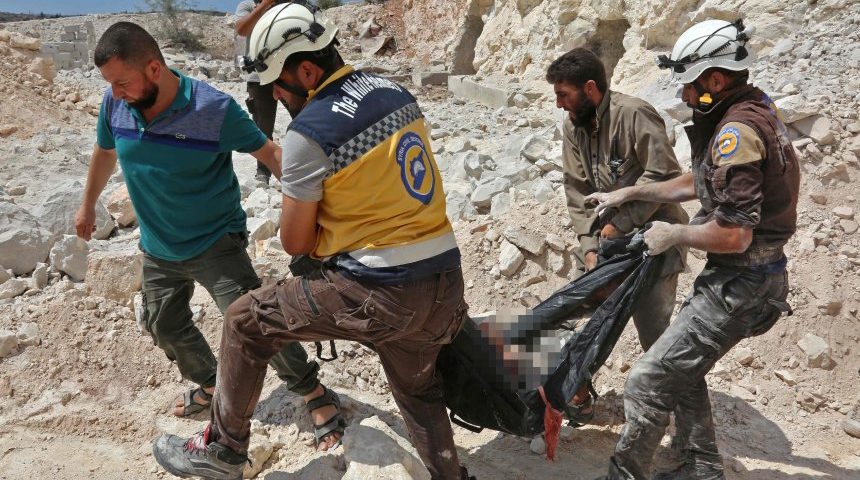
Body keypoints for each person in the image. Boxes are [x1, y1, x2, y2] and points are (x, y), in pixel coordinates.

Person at [152, 3, 473, 480]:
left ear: (306, 70)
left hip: (382, 291)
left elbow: (295, 241)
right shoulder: (395, 91)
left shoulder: (310, 131)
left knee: (245, 321)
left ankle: (222, 449)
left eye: (277, 85)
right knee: (417, 389)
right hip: (445, 281)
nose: (276, 96)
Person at [75, 21, 341, 445]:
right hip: (158, 247)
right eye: (110, 84)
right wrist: (88, 204)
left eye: (122, 82)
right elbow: (105, 151)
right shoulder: (115, 104)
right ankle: (213, 383)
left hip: (216, 242)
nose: (115, 93)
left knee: (254, 322)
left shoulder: (213, 108)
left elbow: (270, 153)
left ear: (155, 69)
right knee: (164, 324)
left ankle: (312, 390)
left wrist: (320, 218)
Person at [586, 19, 799, 479]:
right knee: (679, 370)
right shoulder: (752, 108)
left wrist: (674, 235)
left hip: (743, 283)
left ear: (715, 81)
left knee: (646, 381)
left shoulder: (737, 131)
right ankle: (699, 466)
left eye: (689, 85)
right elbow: (703, 181)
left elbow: (736, 234)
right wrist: (633, 193)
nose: (684, 96)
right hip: (744, 278)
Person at [545, 48, 689, 422]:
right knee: (571, 319)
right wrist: (590, 247)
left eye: (564, 95)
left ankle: (677, 421)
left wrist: (621, 224)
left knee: (655, 336)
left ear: (590, 88)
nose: (559, 104)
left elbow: (665, 177)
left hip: (654, 241)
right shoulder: (573, 125)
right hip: (607, 243)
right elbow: (577, 189)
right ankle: (576, 396)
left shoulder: (634, 114)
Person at [235, 0, 279, 184]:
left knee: (302, 117)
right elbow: (241, 29)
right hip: (258, 75)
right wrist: (264, 5)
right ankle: (263, 172)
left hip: (286, 71)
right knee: (262, 127)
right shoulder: (246, 5)